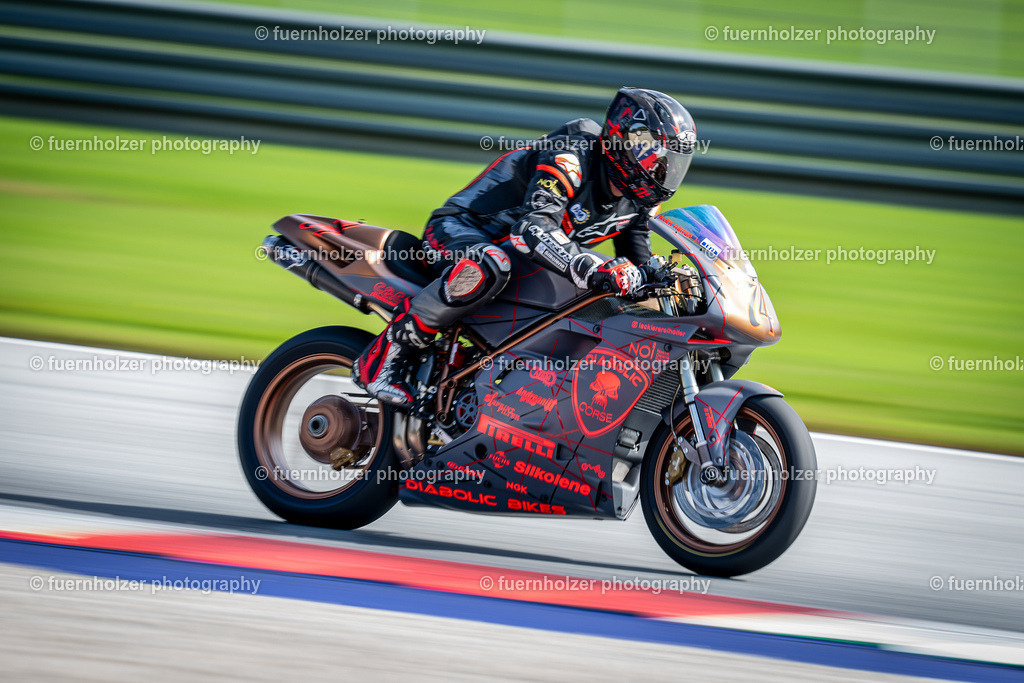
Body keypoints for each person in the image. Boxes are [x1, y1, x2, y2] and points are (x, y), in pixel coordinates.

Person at [353, 87, 697, 406]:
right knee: (490, 264)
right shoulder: (573, 152)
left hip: (519, 256)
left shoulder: (640, 202)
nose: (662, 168)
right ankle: (387, 353)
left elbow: (635, 260)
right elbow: (532, 228)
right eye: (654, 153)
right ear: (624, 142)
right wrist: (594, 268)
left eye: (670, 160)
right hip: (460, 231)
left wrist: (662, 279)